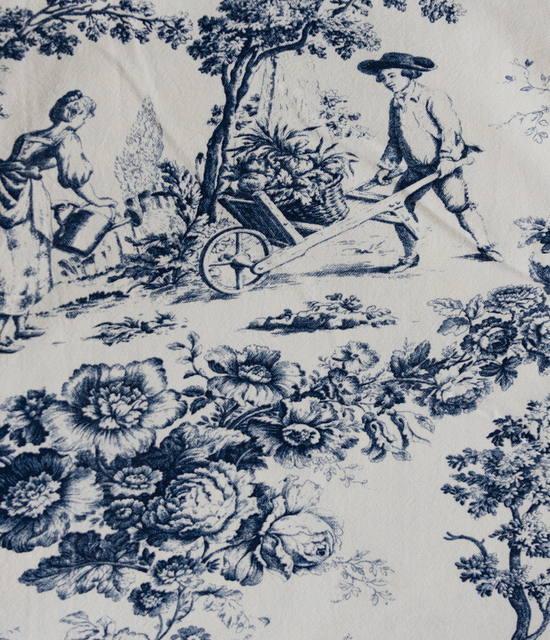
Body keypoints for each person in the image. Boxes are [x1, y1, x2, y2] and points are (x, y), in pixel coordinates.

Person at [357, 52, 502, 272]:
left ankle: (485, 245)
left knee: (459, 206)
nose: (387, 82)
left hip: (443, 168)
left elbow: (451, 129)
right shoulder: (395, 103)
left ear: (408, 73)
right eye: (383, 78)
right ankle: (410, 256)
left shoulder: (433, 97)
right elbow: (395, 139)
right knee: (399, 207)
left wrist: (447, 158)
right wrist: (386, 167)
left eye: (392, 76)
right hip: (416, 169)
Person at [0, 90, 117, 352]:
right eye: (85, 115)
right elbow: (75, 178)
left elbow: (12, 167)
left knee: (22, 260)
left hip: (7, 199)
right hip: (28, 202)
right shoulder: (67, 139)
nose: (86, 120)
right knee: (22, 265)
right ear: (73, 115)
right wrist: (97, 201)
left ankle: (21, 324)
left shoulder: (27, 138)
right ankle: (2, 334)